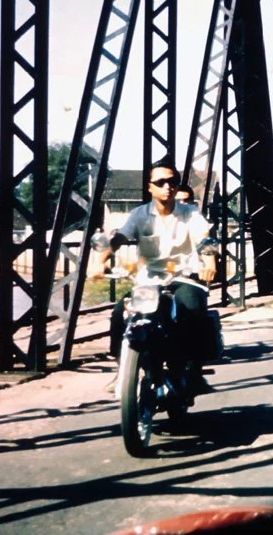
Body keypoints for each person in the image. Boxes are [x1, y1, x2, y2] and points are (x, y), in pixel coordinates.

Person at [92, 156, 219, 388]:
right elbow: (119, 238)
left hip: (184, 277)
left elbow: (205, 239)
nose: (167, 187)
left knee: (191, 308)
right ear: (149, 187)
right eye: (160, 182)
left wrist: (209, 261)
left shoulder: (191, 214)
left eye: (172, 182)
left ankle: (191, 369)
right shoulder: (139, 215)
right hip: (149, 281)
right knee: (120, 313)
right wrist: (101, 261)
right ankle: (122, 368)